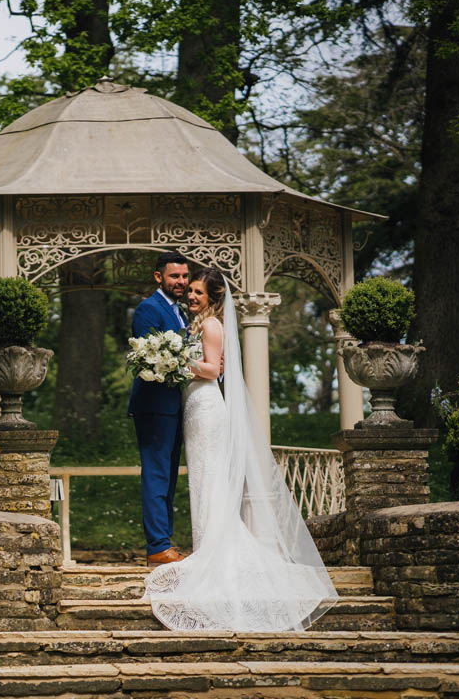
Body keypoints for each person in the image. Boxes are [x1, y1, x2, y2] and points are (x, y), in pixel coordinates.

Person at [144, 266, 338, 631]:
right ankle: (207, 548)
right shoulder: (196, 325)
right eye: (191, 291)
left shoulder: (213, 326)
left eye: (199, 292)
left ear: (214, 297)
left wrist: (176, 362)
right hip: (194, 409)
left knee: (210, 482)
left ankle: (216, 555)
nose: (192, 296)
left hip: (206, 409)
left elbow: (213, 370)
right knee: (202, 483)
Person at [128, 251, 191, 567]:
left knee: (168, 477)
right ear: (159, 278)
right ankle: (157, 546)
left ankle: (164, 542)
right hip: (154, 405)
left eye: (184, 276)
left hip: (175, 405)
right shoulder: (148, 310)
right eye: (174, 276)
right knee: (156, 473)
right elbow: (147, 358)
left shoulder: (181, 311)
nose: (181, 282)